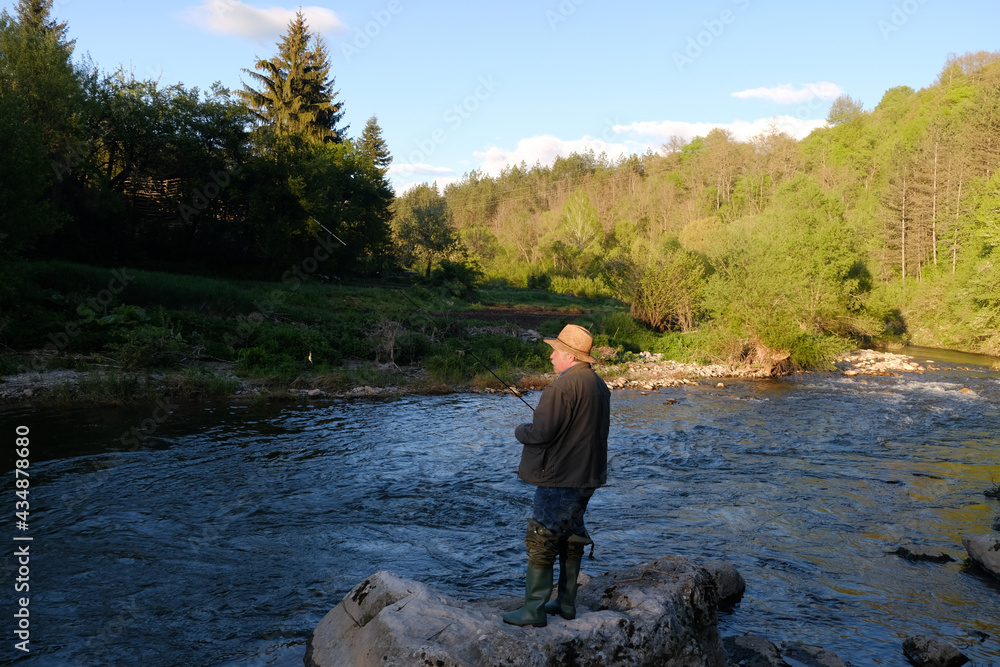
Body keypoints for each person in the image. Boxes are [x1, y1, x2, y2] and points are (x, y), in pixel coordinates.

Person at [502, 324, 610, 627]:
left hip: (560, 476)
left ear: (570, 357)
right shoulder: (597, 383)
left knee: (543, 537)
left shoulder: (562, 387)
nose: (551, 356)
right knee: (571, 535)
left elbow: (541, 432)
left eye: (555, 351)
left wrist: (519, 430)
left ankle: (533, 610)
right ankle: (565, 603)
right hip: (587, 475)